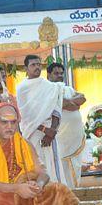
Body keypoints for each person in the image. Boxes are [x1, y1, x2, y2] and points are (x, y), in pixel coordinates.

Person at [17, 54, 66, 182]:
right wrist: (45, 130)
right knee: (37, 166)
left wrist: (52, 131)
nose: (37, 67)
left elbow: (56, 109)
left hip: (50, 134)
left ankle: (57, 194)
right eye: (33, 65)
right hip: (33, 133)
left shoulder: (50, 86)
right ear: (26, 68)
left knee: (53, 165)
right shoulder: (22, 88)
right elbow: (25, 115)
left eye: (39, 64)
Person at [47, 61, 87, 187]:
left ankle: (74, 193)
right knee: (61, 169)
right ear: (48, 75)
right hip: (60, 139)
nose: (59, 75)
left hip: (75, 138)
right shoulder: (48, 91)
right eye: (56, 73)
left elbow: (83, 98)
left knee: (75, 167)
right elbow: (64, 104)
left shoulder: (68, 88)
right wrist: (72, 103)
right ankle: (65, 196)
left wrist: (68, 102)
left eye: (61, 73)